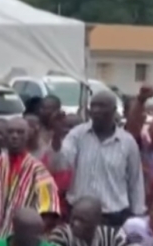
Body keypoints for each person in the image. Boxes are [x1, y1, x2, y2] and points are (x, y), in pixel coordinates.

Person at [61, 90, 146, 227]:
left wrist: (137, 214)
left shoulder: (127, 142)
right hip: (79, 214)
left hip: (113, 216)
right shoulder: (77, 135)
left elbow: (135, 180)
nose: (96, 110)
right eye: (93, 106)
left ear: (114, 110)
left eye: (101, 106)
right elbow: (64, 160)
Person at [0, 117, 61, 235]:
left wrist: (30, 235)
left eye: (20, 132)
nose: (15, 136)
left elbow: (49, 210)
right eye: (10, 132)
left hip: (22, 238)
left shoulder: (39, 171)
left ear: (28, 136)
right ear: (4, 136)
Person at [40, 113, 83, 219]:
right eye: (66, 126)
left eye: (74, 127)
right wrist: (57, 135)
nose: (70, 131)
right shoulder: (52, 150)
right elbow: (57, 152)